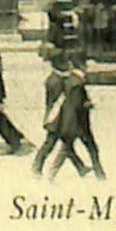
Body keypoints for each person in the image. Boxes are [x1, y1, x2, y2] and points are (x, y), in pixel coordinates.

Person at [47, 58, 105, 181]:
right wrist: (90, 104)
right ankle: (100, 175)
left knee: (68, 149)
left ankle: (92, 172)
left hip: (69, 122)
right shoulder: (78, 83)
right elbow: (78, 104)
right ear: (82, 67)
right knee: (89, 148)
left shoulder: (70, 80)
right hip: (79, 122)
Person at [31, 45, 71, 177]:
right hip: (57, 117)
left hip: (59, 117)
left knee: (64, 144)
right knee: (52, 144)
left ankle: (80, 168)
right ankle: (38, 167)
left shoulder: (57, 78)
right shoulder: (55, 81)